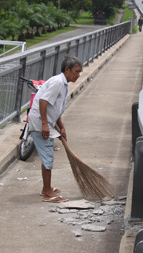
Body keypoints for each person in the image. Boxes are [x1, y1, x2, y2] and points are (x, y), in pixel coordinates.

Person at [29, 56, 83, 203]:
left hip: (47, 121)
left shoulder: (63, 84)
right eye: (76, 72)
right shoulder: (58, 82)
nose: (78, 75)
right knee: (48, 156)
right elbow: (43, 101)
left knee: (47, 155)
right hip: (40, 122)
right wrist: (45, 125)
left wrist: (61, 126)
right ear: (67, 70)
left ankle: (46, 187)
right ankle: (47, 193)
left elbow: (55, 107)